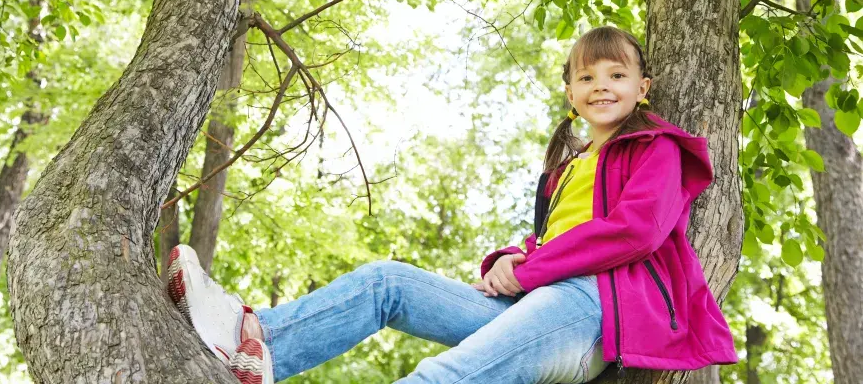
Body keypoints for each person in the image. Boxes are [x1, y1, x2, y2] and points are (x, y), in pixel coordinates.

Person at [166, 25, 738, 383]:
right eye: (586, 76)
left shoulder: (658, 148)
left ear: (643, 88)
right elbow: (552, 242)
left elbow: (633, 233)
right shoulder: (568, 169)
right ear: (570, 94)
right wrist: (509, 260)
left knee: (447, 375)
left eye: (618, 73)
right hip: (535, 301)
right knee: (384, 282)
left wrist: (531, 269)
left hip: (591, 315)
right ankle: (257, 340)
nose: (601, 85)